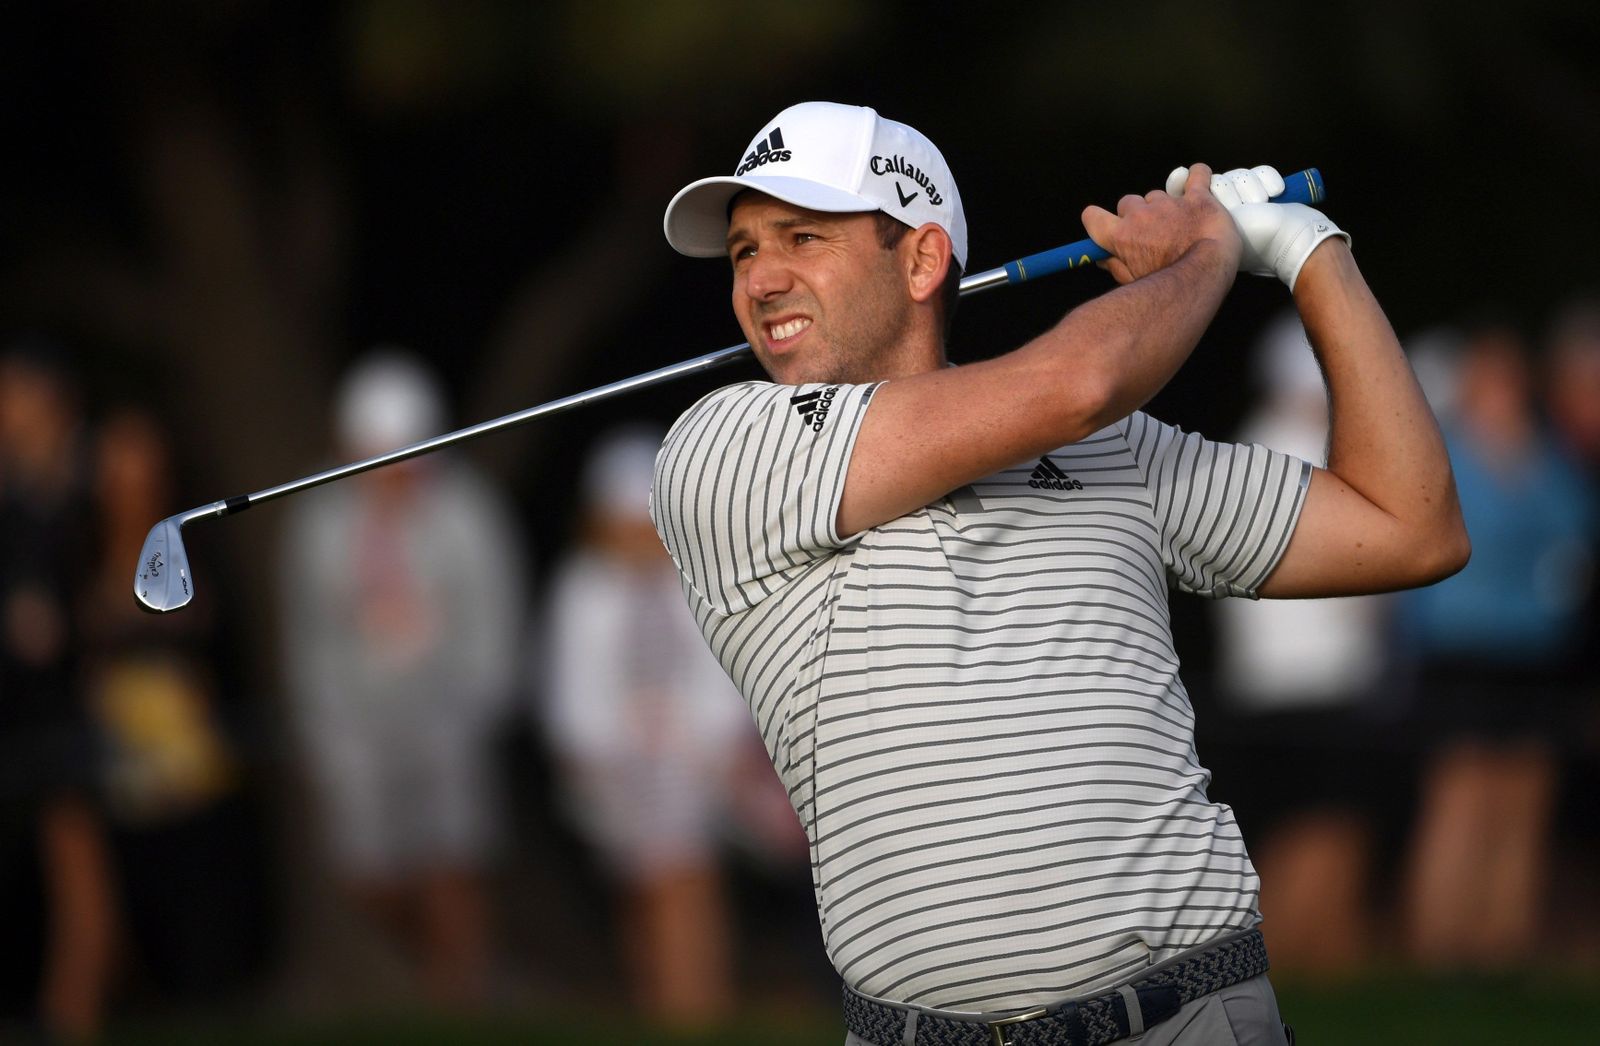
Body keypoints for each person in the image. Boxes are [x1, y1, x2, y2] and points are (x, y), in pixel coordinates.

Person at [649, 102, 1468, 1045]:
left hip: (1189, 1014)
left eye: (801, 237)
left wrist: (1312, 256)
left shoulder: (1115, 453)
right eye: (746, 250)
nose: (762, 279)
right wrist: (1205, 251)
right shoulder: (721, 452)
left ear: (920, 262)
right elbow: (1072, 386)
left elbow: (1412, 527)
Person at [279, 349, 525, 1009]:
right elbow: (307, 634)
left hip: (449, 712)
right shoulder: (317, 519)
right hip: (354, 723)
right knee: (366, 872)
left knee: (453, 857)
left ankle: (460, 995)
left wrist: (477, 709)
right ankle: (427, 968)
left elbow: (495, 614)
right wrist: (321, 729)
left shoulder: (466, 509)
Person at [539, 425, 782, 1025]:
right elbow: (572, 690)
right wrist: (606, 744)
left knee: (686, 881)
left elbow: (721, 674)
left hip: (690, 763)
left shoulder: (692, 584)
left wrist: (703, 738)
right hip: (617, 770)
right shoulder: (583, 591)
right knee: (646, 892)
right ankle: (660, 1004)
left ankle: (697, 1006)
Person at [1394, 320, 1595, 970]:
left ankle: (1500, 946)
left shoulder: (1549, 460)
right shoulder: (1442, 450)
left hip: (1535, 654)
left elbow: (1576, 542)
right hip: (1462, 649)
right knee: (1461, 796)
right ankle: (1440, 945)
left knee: (1524, 797)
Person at [1207, 312, 1393, 976]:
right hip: (1314, 678)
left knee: (1312, 827)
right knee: (1321, 829)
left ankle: (1313, 968)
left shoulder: (1252, 443)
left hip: (1272, 680)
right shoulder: (1303, 446)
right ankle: (1290, 965)